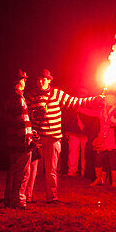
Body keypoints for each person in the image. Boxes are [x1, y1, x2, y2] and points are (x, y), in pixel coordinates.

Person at [26, 69, 99, 203]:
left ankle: (52, 197)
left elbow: (75, 102)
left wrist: (94, 99)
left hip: (54, 138)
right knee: (32, 169)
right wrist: (36, 115)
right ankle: (27, 196)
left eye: (44, 79)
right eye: (39, 79)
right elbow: (27, 115)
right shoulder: (32, 96)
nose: (42, 81)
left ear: (49, 80)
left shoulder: (57, 94)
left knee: (52, 169)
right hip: (38, 139)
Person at [1, 71, 36, 209]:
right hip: (21, 142)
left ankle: (9, 199)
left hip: (12, 140)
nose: (25, 82)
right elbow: (22, 120)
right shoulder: (19, 98)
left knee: (13, 171)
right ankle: (19, 200)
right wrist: (27, 138)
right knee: (23, 172)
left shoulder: (10, 98)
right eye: (24, 80)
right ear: (19, 81)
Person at [86, 94, 116, 188]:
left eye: (105, 101)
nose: (103, 103)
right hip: (102, 139)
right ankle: (99, 179)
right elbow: (90, 113)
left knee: (113, 161)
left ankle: (114, 182)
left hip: (112, 140)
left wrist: (115, 122)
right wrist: (76, 107)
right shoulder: (102, 112)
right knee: (98, 160)